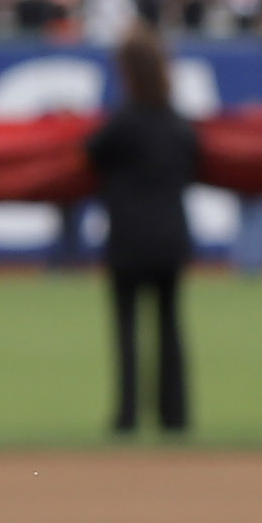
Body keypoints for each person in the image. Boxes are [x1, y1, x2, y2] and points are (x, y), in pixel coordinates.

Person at [88, 28, 197, 438]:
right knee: (169, 327)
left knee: (127, 328)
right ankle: (176, 416)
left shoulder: (124, 122)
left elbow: (87, 154)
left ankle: (127, 415)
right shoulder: (177, 122)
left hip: (129, 240)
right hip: (170, 237)